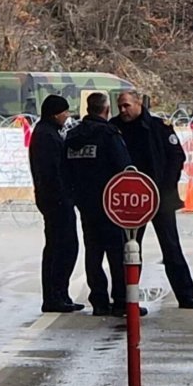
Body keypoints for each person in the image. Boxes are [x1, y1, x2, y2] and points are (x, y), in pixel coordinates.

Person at [111, 90, 193, 309]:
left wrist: (165, 185)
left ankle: (186, 295)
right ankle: (125, 298)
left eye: (127, 106)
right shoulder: (113, 128)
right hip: (131, 198)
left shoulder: (158, 127)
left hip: (159, 196)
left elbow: (176, 155)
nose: (123, 110)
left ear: (139, 103)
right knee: (130, 250)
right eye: (120, 106)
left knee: (170, 247)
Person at [64, 92, 144, 317]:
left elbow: (65, 169)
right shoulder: (109, 134)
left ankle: (99, 300)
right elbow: (124, 168)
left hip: (84, 202)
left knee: (93, 252)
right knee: (117, 253)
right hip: (109, 203)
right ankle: (120, 300)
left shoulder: (72, 135)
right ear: (106, 110)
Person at [28, 94, 83, 313]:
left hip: (55, 198)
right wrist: (64, 195)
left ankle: (61, 294)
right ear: (55, 113)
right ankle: (54, 296)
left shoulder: (48, 133)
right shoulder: (46, 136)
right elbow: (51, 172)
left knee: (63, 247)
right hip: (56, 200)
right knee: (61, 247)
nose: (67, 116)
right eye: (65, 112)